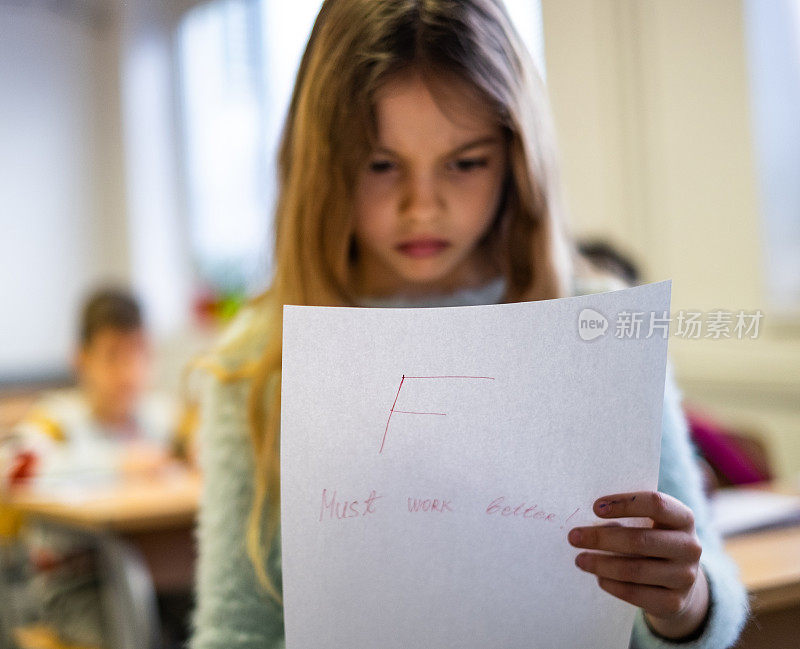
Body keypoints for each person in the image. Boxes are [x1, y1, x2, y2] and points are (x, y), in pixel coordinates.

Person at [187, 1, 751, 647]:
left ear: (517, 158)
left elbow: (695, 579)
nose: (421, 206)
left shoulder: (595, 321)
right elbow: (237, 630)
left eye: (466, 162)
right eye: (379, 164)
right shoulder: (259, 359)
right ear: (322, 165)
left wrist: (684, 603)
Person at [0, 286, 185, 647]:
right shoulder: (57, 419)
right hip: (74, 588)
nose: (128, 373)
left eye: (138, 355)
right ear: (80, 359)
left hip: (154, 580)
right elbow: (11, 470)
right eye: (112, 357)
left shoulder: (161, 417)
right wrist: (116, 463)